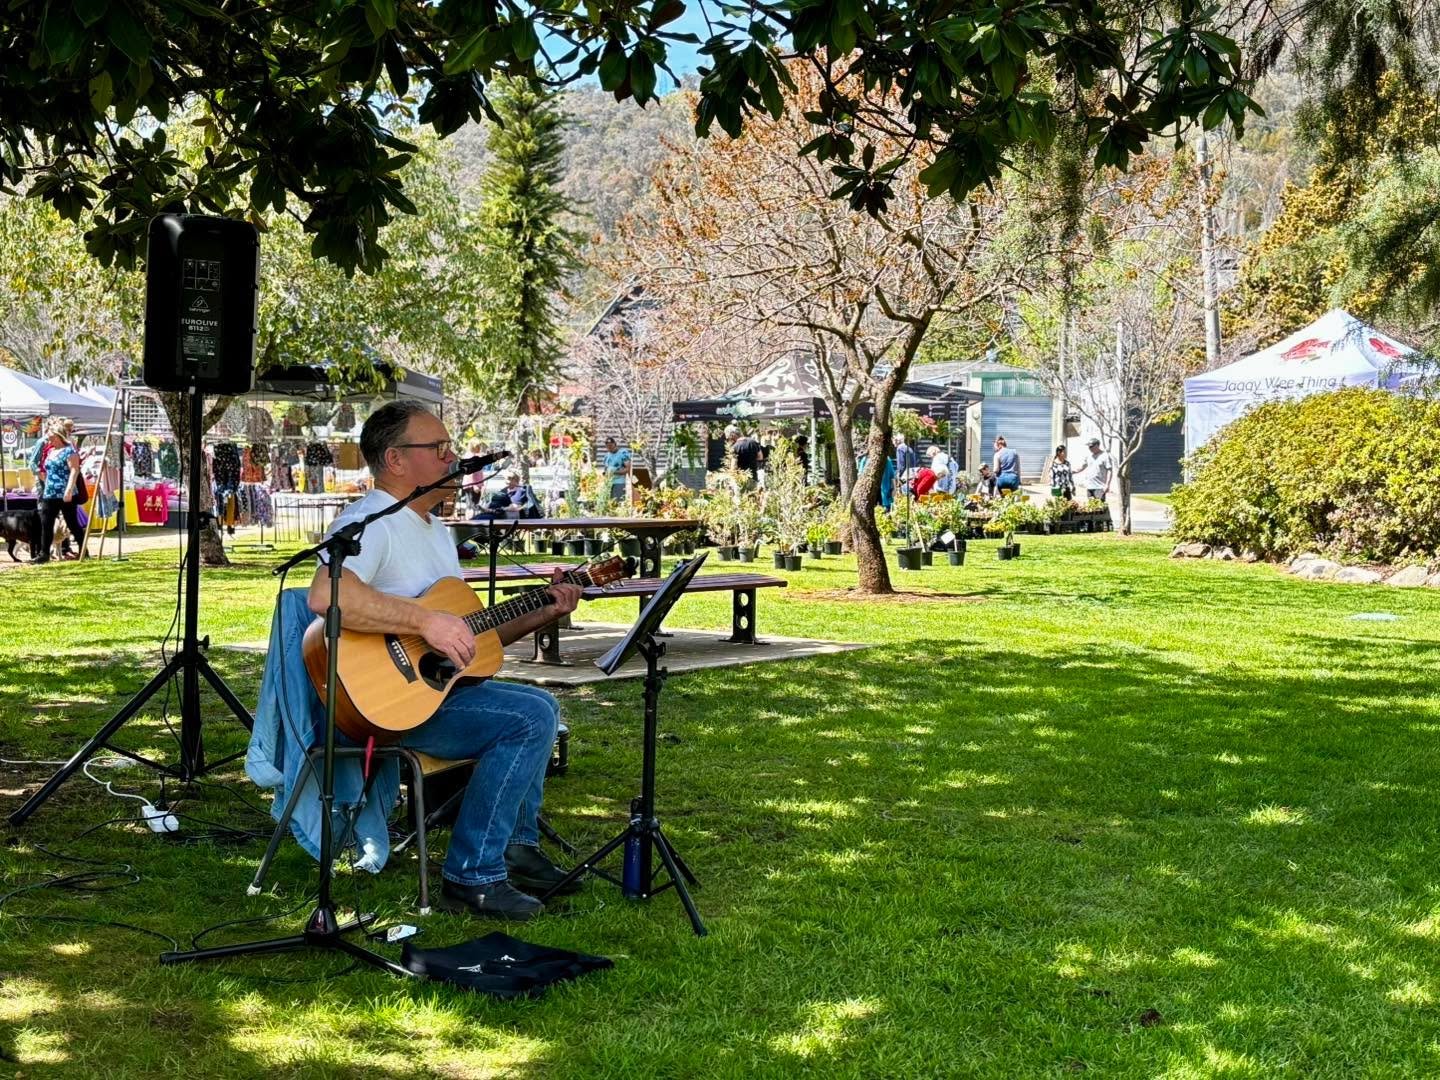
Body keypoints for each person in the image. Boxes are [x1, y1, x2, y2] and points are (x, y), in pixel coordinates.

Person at [309, 401, 583, 921]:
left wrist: (546, 609)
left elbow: (475, 635)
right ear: (394, 459)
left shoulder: (433, 529)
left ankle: (516, 847)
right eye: (438, 448)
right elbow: (327, 595)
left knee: (537, 705)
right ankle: (473, 874)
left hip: (431, 694)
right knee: (530, 717)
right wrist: (423, 622)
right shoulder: (370, 520)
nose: (452, 458)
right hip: (377, 706)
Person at [26, 416, 84, 564]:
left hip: (65, 493)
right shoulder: (51, 451)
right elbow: (46, 469)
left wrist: (69, 490)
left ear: (58, 436)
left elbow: (74, 471)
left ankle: (84, 550)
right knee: (46, 523)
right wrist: (42, 476)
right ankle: (44, 554)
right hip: (49, 492)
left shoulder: (69, 451)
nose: (49, 440)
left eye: (51, 437)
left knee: (72, 523)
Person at [1074, 437, 1113, 503]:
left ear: (1097, 445)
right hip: (1089, 486)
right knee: (1091, 508)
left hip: (1100, 488)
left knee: (1100, 508)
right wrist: (1072, 471)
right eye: (1089, 447)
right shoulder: (1089, 456)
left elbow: (1110, 471)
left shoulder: (1105, 456)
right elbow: (1082, 467)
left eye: (1091, 447)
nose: (1090, 448)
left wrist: (1107, 484)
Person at [601, 436, 632, 505]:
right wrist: (605, 473)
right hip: (609, 482)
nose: (610, 448)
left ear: (615, 444)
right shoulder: (606, 456)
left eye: (611, 446)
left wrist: (614, 472)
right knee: (609, 503)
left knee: (618, 502)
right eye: (608, 447)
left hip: (619, 482)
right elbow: (606, 469)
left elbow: (627, 469)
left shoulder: (623, 454)